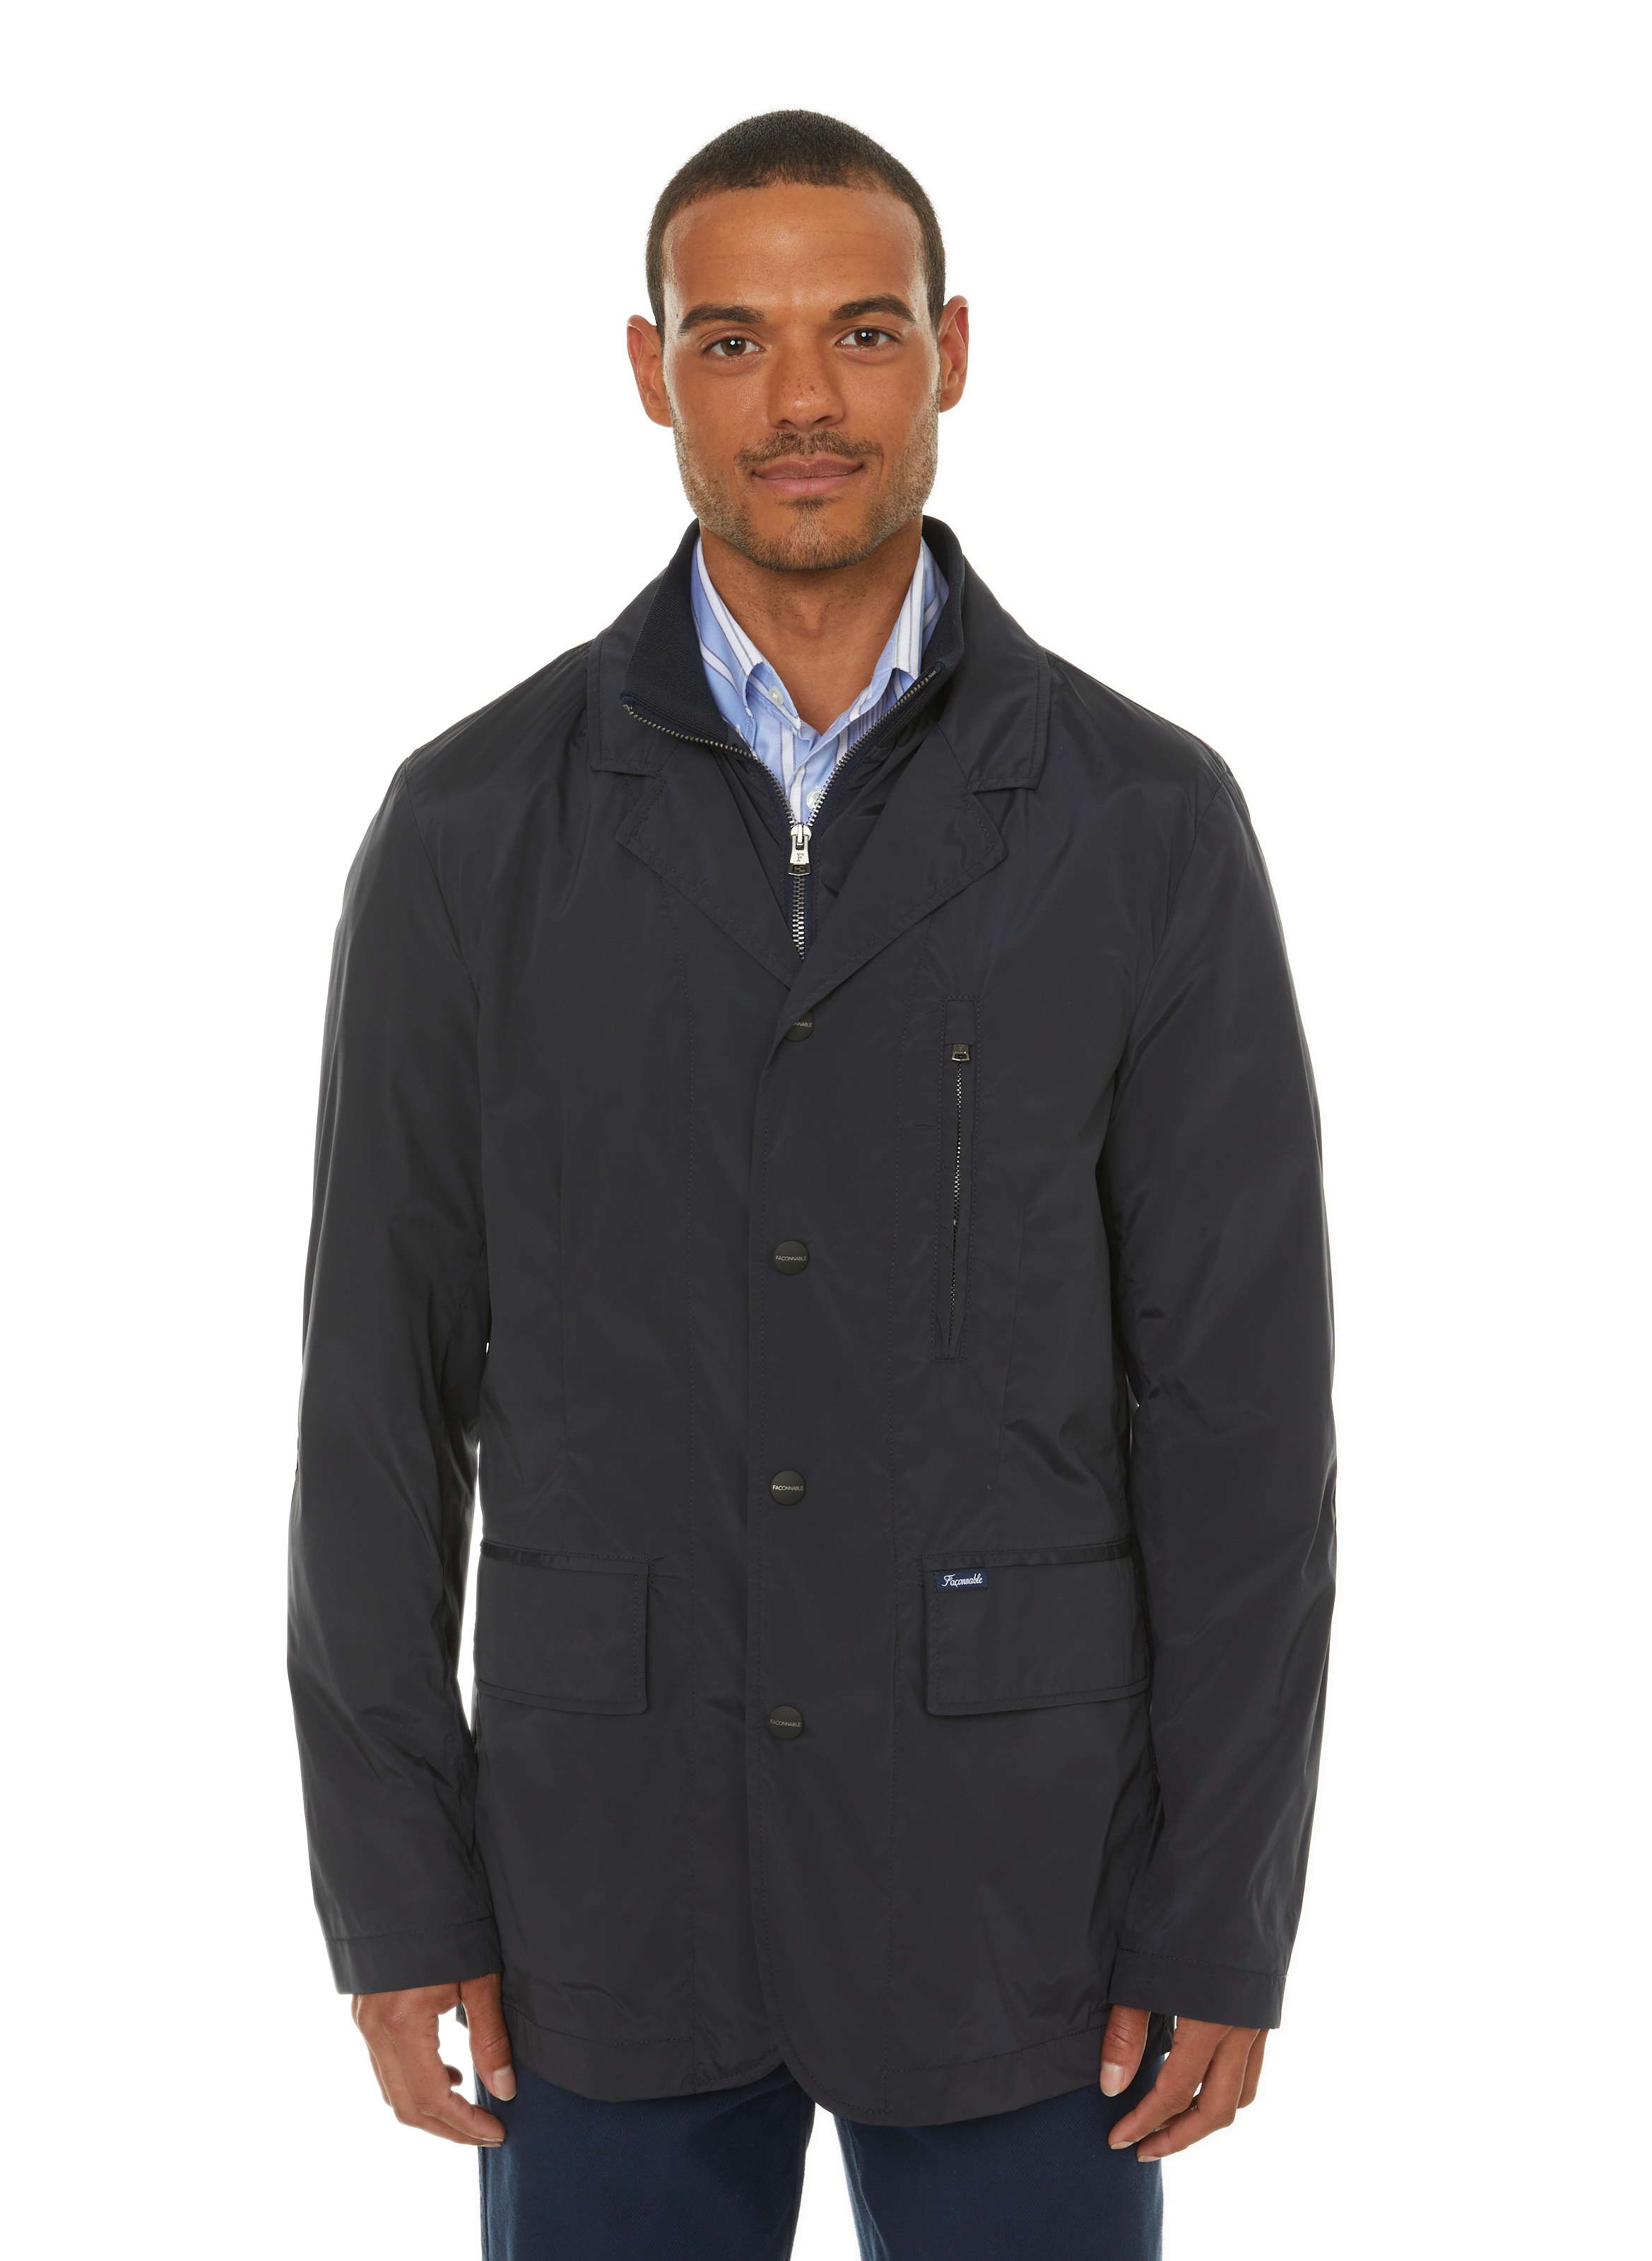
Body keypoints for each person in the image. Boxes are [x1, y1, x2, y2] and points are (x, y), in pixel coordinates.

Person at [288, 107, 1336, 2261]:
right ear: (649, 370)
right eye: (732, 338)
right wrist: (395, 1891)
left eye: (861, 332)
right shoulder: (474, 829)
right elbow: (379, 1409)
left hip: (1023, 1887)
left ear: (951, 351)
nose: (801, 400)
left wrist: (1219, 1908)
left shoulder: (1142, 823)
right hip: (599, 1881)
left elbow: (1239, 1417)